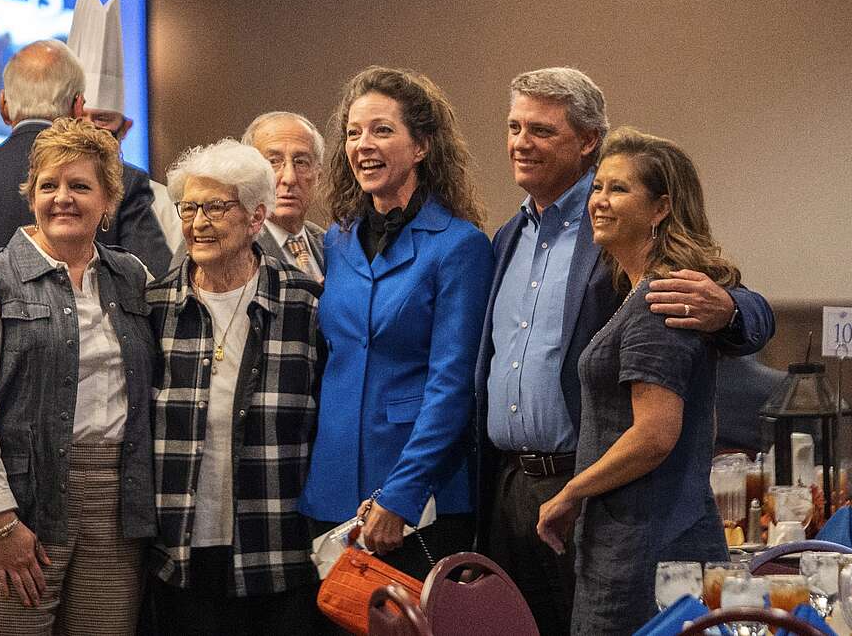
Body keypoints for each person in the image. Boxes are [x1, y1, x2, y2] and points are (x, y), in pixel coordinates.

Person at [476, 67, 773, 633]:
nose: (520, 143)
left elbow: (726, 299)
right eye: (514, 127)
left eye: (540, 129)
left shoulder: (631, 252)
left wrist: (732, 310)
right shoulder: (505, 239)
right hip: (514, 487)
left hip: (598, 490)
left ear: (587, 141)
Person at [0, 117, 156, 634]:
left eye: (81, 186)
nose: (63, 198)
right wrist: (1, 522)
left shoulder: (133, 278)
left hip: (116, 510)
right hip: (18, 503)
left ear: (107, 203)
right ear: (30, 194)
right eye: (48, 185)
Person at [535, 126, 745, 633]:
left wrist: (569, 495)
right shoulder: (643, 294)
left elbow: (654, 435)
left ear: (661, 208)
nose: (599, 202)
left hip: (647, 548)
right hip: (641, 533)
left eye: (618, 189)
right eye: (598, 188)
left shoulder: (660, 302)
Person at [299, 66, 494, 577]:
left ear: (422, 146)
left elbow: (452, 385)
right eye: (353, 132)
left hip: (417, 497)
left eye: (382, 130)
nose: (364, 144)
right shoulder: (337, 241)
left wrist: (403, 493)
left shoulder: (460, 246)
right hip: (333, 488)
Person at [141, 139, 323, 634]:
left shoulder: (304, 305)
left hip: (275, 544)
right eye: (190, 207)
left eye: (216, 207)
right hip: (178, 546)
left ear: (256, 217)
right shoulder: (154, 306)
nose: (198, 222)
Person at [0, 38, 171, 292]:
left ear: (4, 105)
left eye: (78, 187)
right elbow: (155, 293)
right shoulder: (120, 179)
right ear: (78, 107)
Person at [67, 0, 184, 257]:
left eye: (102, 119)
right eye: (79, 118)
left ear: (125, 127)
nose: (89, 131)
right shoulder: (46, 196)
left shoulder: (162, 203)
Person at [242, 111, 327, 279]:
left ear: (318, 176)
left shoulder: (331, 246)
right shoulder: (231, 247)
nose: (289, 178)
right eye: (273, 161)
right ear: (248, 174)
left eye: (301, 162)